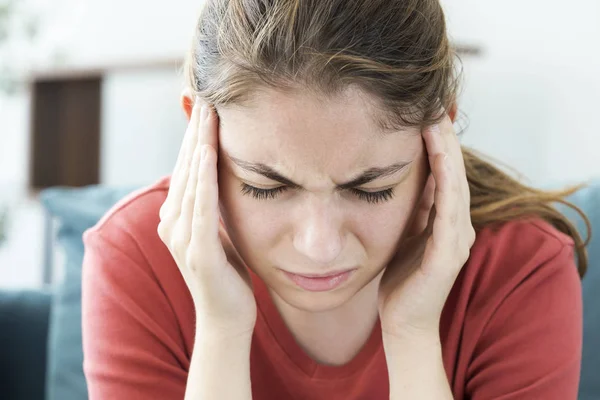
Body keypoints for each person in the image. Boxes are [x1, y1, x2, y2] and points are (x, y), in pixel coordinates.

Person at [81, 0, 590, 399]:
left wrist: (412, 336)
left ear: (439, 134)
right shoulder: (135, 259)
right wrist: (221, 330)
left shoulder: (520, 268)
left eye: (371, 188)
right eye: (266, 186)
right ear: (199, 128)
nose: (318, 245)